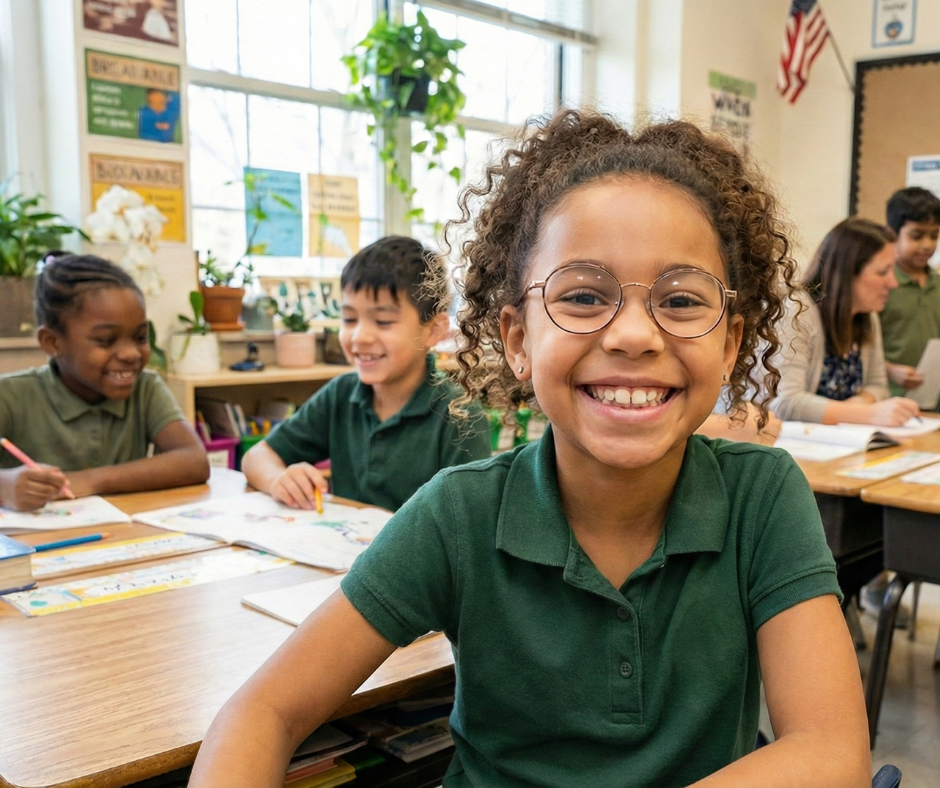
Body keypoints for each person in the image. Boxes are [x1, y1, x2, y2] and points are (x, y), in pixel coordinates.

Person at [190, 111, 869, 788]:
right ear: (516, 340)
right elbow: (263, 712)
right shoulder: (460, 515)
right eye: (581, 295)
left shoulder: (762, 496)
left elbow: (831, 751)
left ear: (729, 345)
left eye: (683, 300)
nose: (635, 334)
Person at [242, 236, 492, 512]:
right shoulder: (342, 394)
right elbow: (256, 457)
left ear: (433, 330)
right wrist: (280, 480)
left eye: (383, 322)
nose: (359, 337)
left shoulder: (461, 415)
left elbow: (468, 525)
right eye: (349, 319)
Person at [0, 254, 209, 511]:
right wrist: (5, 485)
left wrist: (90, 479)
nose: (131, 353)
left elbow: (194, 461)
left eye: (140, 337)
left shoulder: (145, 388)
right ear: (52, 342)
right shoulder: (10, 396)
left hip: (121, 541)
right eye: (106, 340)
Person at [767, 217, 921, 426]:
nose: (893, 283)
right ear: (847, 273)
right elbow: (784, 403)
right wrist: (866, 414)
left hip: (839, 443)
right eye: (882, 272)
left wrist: (851, 409)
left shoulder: (867, 315)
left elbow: (878, 388)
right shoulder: (795, 310)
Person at [880, 186, 940, 396]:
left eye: (934, 236)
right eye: (917, 236)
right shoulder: (881, 284)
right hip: (888, 396)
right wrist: (890, 370)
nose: (927, 245)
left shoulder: (937, 284)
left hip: (932, 400)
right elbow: (858, 349)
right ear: (892, 234)